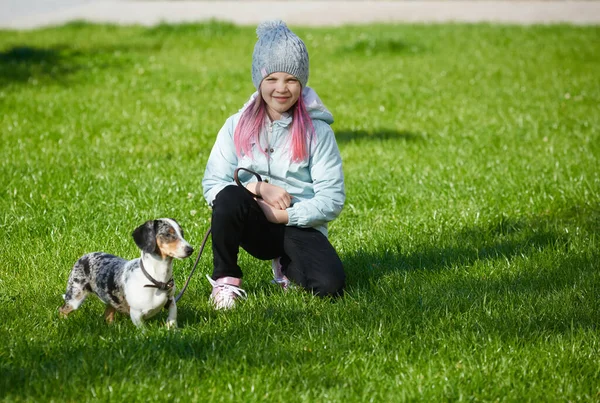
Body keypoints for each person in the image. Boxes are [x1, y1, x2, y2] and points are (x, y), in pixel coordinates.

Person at [201, 20, 345, 310]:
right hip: (253, 225)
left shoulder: (317, 132)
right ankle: (226, 280)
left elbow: (332, 199)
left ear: (302, 83)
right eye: (272, 79)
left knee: (330, 286)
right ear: (259, 81)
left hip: (299, 225)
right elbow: (213, 185)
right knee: (228, 196)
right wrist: (257, 188)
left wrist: (282, 216)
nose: (282, 88)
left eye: (291, 80)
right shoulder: (236, 125)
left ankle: (286, 265)